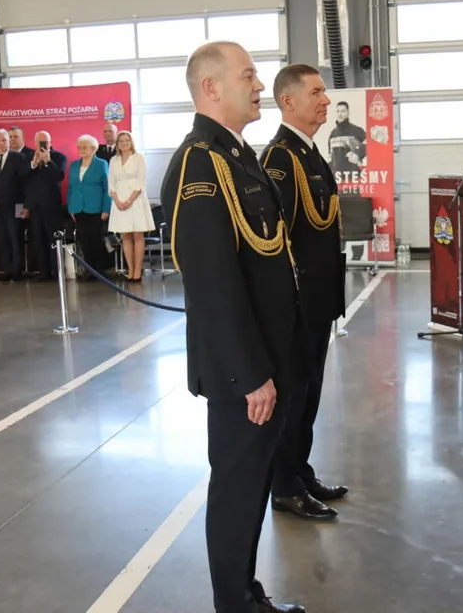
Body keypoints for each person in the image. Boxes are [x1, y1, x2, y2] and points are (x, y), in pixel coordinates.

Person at [160, 41, 306, 613]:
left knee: (251, 484)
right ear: (211, 88)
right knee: (238, 489)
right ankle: (235, 602)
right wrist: (250, 374)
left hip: (266, 357)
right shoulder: (200, 163)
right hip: (242, 372)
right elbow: (212, 283)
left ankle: (244, 594)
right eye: (248, 76)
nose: (260, 86)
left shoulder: (237, 157)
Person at [260, 64, 348, 522]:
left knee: (309, 392)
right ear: (288, 101)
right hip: (296, 304)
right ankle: (285, 485)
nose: (325, 100)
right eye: (315, 92)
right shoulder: (280, 158)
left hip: (318, 300)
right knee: (293, 395)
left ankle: (300, 469)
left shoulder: (309, 153)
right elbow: (275, 243)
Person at [108, 130, 154, 281]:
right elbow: (111, 183)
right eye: (121, 141)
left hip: (136, 199)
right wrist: (117, 201)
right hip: (119, 200)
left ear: (131, 142)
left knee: (137, 235)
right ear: (117, 144)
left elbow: (141, 181)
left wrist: (129, 201)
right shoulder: (114, 160)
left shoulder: (139, 158)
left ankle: (138, 269)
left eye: (127, 140)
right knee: (125, 236)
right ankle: (131, 268)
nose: (124, 143)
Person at [22, 130, 67, 280]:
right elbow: (22, 176)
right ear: (34, 143)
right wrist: (34, 164)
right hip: (34, 207)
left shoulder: (59, 157)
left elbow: (59, 176)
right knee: (38, 240)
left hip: (51, 206)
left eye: (45, 142)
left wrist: (48, 161)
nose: (42, 145)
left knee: (53, 239)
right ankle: (44, 272)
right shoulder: (28, 157)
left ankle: (56, 271)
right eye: (39, 142)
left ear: (50, 142)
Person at [0, 129, 28, 282]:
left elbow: (25, 184)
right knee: (2, 239)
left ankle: (17, 270)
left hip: (17, 206)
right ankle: (7, 269)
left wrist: (25, 206)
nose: (1, 143)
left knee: (16, 237)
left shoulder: (19, 158)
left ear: (9, 141)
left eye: (4, 140)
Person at [67, 134, 112, 276]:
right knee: (84, 240)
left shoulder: (101, 164)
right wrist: (71, 207)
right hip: (78, 208)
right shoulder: (74, 165)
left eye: (84, 147)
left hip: (96, 208)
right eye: (79, 147)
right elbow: (71, 187)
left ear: (93, 148)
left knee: (96, 240)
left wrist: (106, 208)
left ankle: (100, 270)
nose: (81, 150)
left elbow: (107, 188)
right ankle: (89, 270)